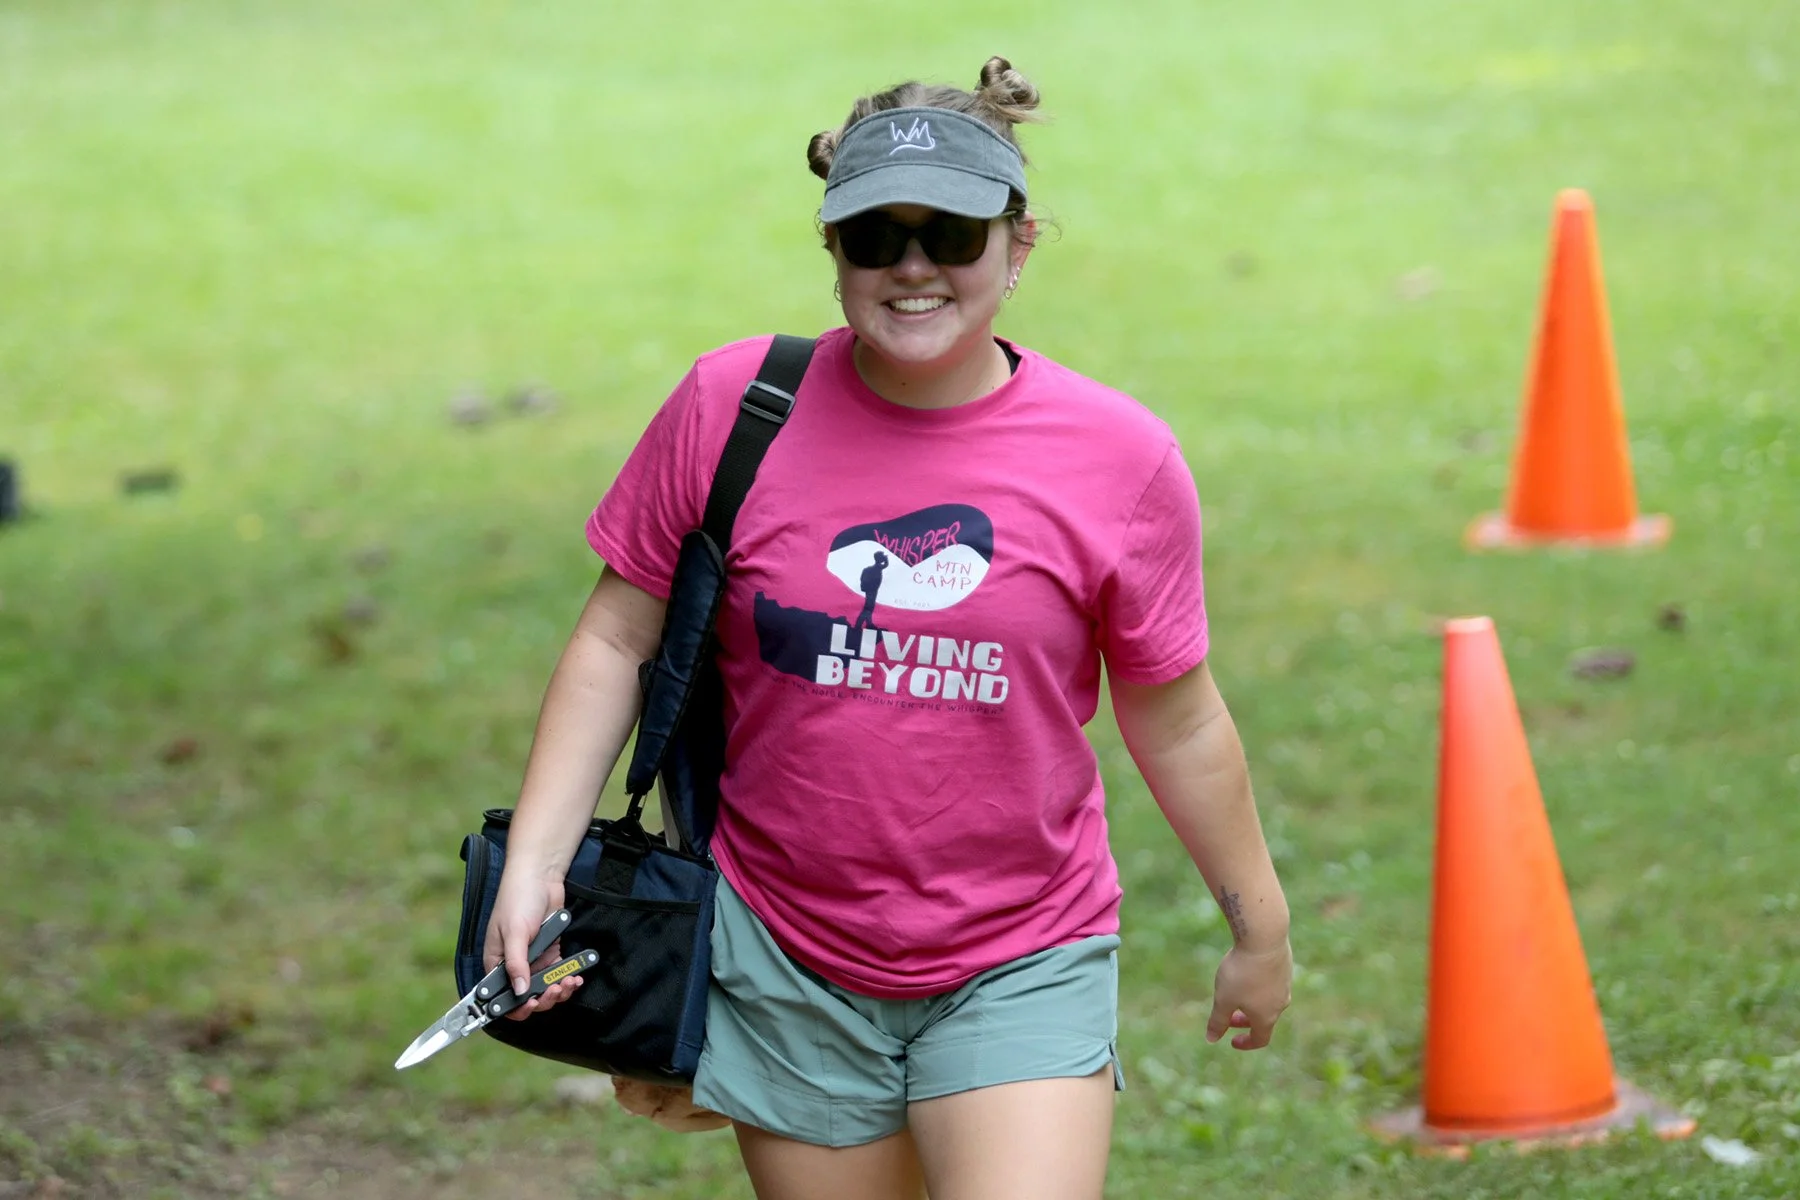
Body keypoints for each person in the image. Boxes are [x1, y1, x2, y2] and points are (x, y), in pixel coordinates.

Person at [484, 56, 1292, 1200]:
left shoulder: (1120, 459)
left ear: (1018, 246)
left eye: (951, 234)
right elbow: (617, 641)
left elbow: (1181, 720)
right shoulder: (731, 407)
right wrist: (534, 866)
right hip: (783, 955)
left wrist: (1258, 925)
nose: (913, 267)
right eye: (876, 236)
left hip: (1022, 951)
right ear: (834, 250)